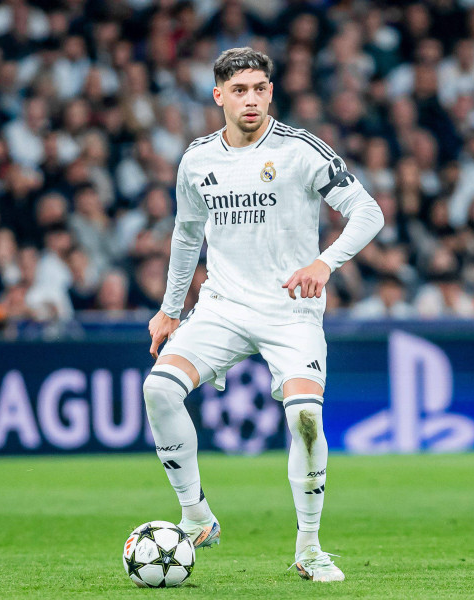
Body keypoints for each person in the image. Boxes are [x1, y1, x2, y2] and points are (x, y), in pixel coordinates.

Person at [142, 47, 384, 582]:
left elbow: (369, 211)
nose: (250, 99)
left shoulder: (301, 151)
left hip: (290, 312)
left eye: (259, 89)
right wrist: (169, 310)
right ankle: (195, 515)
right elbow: (185, 237)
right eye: (239, 90)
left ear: (270, 92)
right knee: (158, 390)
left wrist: (325, 263)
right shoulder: (196, 159)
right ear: (219, 97)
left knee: (306, 417)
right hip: (222, 307)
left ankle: (309, 548)